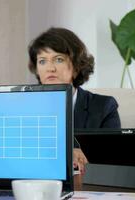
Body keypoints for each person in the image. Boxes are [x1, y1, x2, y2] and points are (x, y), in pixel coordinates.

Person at [27, 27, 121, 174]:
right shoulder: (25, 106)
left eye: (58, 59)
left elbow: (114, 162)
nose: (50, 68)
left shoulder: (104, 107)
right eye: (42, 61)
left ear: (77, 66)